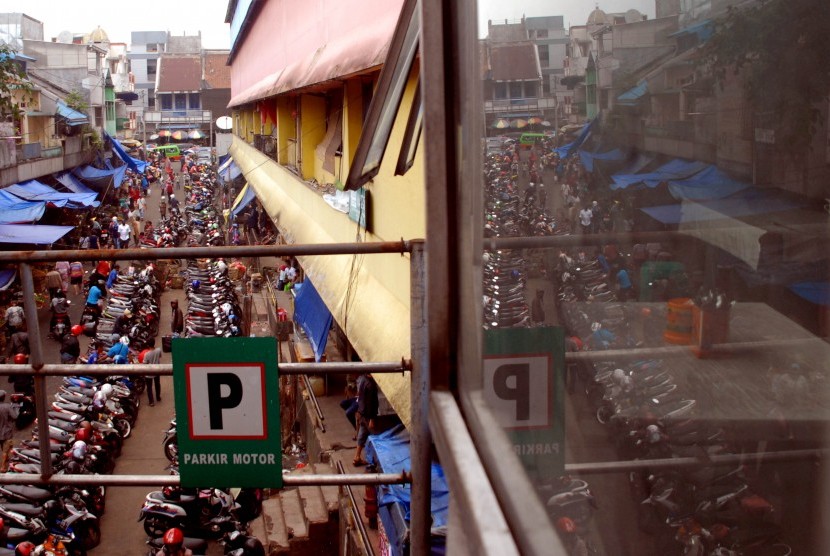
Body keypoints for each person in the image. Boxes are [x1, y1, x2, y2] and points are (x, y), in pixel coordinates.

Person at [352, 373, 378, 467]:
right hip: (367, 415)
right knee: (376, 438)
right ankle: (375, 461)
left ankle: (357, 457)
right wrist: (372, 418)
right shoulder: (371, 385)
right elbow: (372, 403)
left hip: (362, 412)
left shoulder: (362, 379)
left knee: (361, 435)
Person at [0, 390, 19, 473]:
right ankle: (3, 467)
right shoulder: (7, 407)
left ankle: (6, 458)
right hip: (7, 432)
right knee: (6, 449)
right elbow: (15, 417)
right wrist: (16, 409)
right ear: (4, 397)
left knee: (3, 446)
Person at [140, 338, 162, 406]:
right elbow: (160, 356)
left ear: (148, 345)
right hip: (157, 370)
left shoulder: (147, 354)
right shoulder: (158, 350)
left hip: (149, 372)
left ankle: (151, 402)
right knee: (157, 384)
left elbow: (144, 363)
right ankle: (158, 397)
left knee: (149, 387)